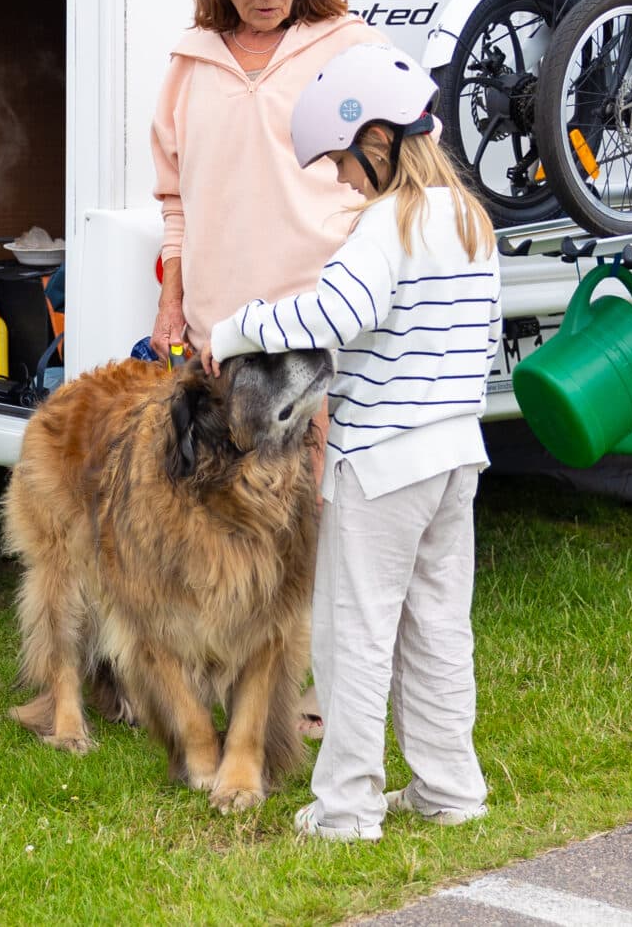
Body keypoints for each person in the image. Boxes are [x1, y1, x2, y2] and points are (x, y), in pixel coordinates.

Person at [205, 45, 497, 842]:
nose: (339, 178)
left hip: (384, 461)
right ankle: (449, 787)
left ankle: (346, 808)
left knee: (354, 634)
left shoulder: (386, 224)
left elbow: (334, 319)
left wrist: (239, 328)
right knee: (438, 625)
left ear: (376, 138)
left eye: (340, 159)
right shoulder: (468, 218)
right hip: (455, 454)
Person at [149, 0, 376, 359]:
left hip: (325, 332)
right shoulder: (190, 63)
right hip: (219, 341)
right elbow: (176, 205)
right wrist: (171, 304)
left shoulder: (352, 49)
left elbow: (409, 174)